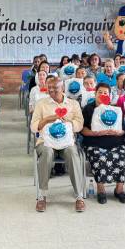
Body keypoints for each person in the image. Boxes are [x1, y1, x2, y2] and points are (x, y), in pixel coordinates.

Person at [30, 77, 85, 213]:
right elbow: (33, 127)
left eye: (55, 88)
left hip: (67, 142)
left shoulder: (73, 104)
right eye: (50, 88)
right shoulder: (41, 104)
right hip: (46, 142)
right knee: (47, 153)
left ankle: (79, 196)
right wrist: (49, 119)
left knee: (72, 153)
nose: (52, 90)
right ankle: (42, 196)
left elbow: (79, 124)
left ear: (63, 89)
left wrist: (68, 123)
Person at [80, 83, 125, 204]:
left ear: (109, 95)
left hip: (115, 141)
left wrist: (119, 132)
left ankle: (119, 190)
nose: (103, 94)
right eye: (100, 92)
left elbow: (123, 129)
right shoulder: (88, 109)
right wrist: (95, 133)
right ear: (95, 94)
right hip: (94, 142)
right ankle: (101, 190)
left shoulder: (115, 109)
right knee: (100, 157)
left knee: (122, 157)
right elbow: (82, 129)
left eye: (105, 93)